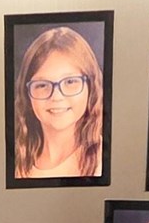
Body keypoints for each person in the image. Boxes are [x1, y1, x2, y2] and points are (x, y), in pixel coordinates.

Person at [12, 25, 105, 180]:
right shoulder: (14, 161)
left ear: (91, 87)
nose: (56, 96)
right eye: (42, 85)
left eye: (70, 82)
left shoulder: (103, 161)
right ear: (27, 94)